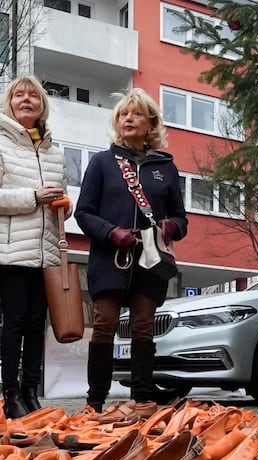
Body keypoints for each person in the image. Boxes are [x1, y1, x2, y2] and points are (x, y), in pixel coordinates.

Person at [74, 87, 186, 410]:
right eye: (123, 114)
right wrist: (111, 233)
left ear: (150, 123)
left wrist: (171, 227)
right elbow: (83, 213)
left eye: (135, 113)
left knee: (142, 328)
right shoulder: (102, 163)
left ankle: (142, 400)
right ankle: (95, 402)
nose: (128, 119)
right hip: (111, 257)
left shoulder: (166, 167)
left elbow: (181, 218)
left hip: (150, 260)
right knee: (105, 324)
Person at [0, 75, 68, 418]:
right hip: (11, 250)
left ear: (43, 105)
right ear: (9, 104)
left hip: (46, 252)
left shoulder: (54, 150)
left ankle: (31, 392)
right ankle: (11, 394)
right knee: (14, 322)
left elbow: (60, 196)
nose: (27, 100)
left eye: (34, 95)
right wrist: (33, 197)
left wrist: (63, 207)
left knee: (36, 325)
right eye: (19, 95)